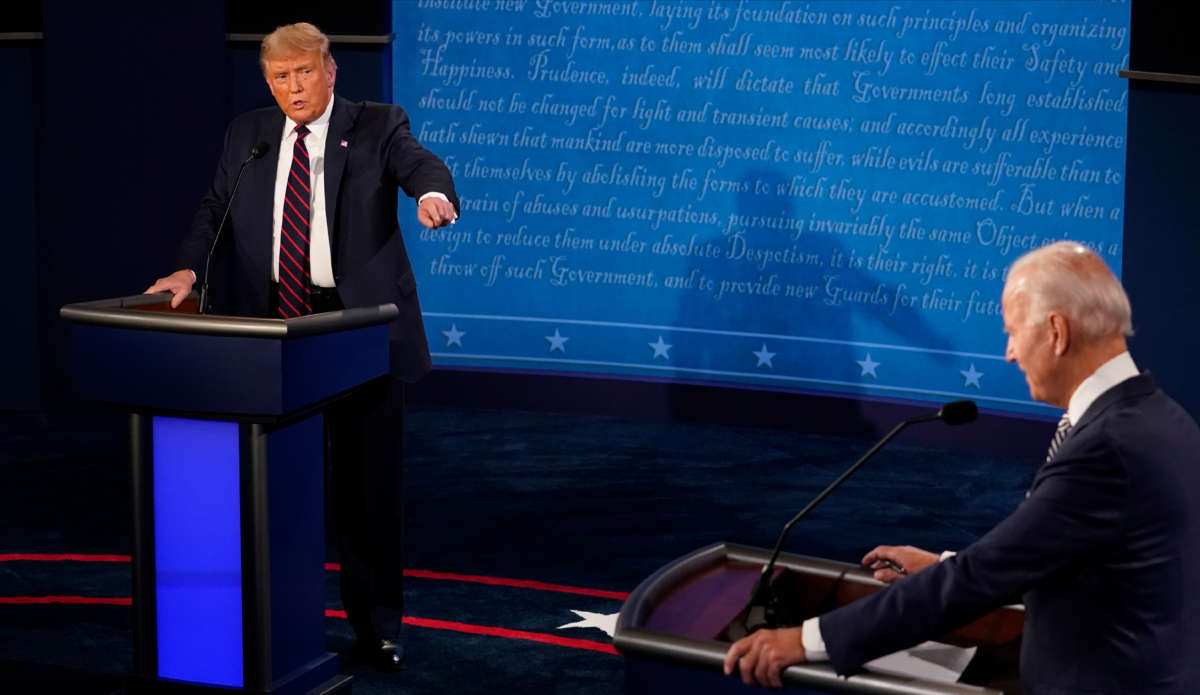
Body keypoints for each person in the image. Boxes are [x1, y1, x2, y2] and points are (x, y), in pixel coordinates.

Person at [725, 241, 1200, 693]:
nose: (1009, 353)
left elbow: (985, 576)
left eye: (1013, 332)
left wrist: (804, 641)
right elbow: (1067, 559)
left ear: (1056, 332)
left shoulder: (1106, 448)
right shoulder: (1163, 417)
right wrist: (943, 566)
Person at [146, 22, 459, 671]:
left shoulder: (376, 123)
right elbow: (215, 210)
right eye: (281, 76)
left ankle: (376, 627)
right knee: (273, 484)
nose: (294, 87)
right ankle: (272, 619)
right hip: (273, 334)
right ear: (269, 81)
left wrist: (433, 193)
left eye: (305, 73)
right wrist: (189, 270)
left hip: (356, 332)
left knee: (366, 489)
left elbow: (419, 164)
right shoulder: (249, 135)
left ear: (330, 70)